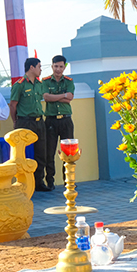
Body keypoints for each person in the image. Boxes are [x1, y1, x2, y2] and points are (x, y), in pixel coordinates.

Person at [10, 57, 50, 192]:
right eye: (39, 66)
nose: (40, 69)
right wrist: (16, 122)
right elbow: (13, 105)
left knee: (41, 153)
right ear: (31, 68)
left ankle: (39, 182)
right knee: (23, 154)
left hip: (39, 121)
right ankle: (23, 183)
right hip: (25, 121)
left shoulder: (39, 84)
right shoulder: (20, 84)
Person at [43, 55, 75, 190]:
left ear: (64, 67)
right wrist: (63, 96)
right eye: (56, 66)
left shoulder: (69, 81)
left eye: (61, 66)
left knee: (69, 152)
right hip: (51, 120)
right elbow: (46, 97)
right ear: (52, 67)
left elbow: (70, 98)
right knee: (49, 152)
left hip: (66, 120)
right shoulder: (45, 81)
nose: (58, 69)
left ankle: (68, 180)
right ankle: (50, 180)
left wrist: (54, 97)